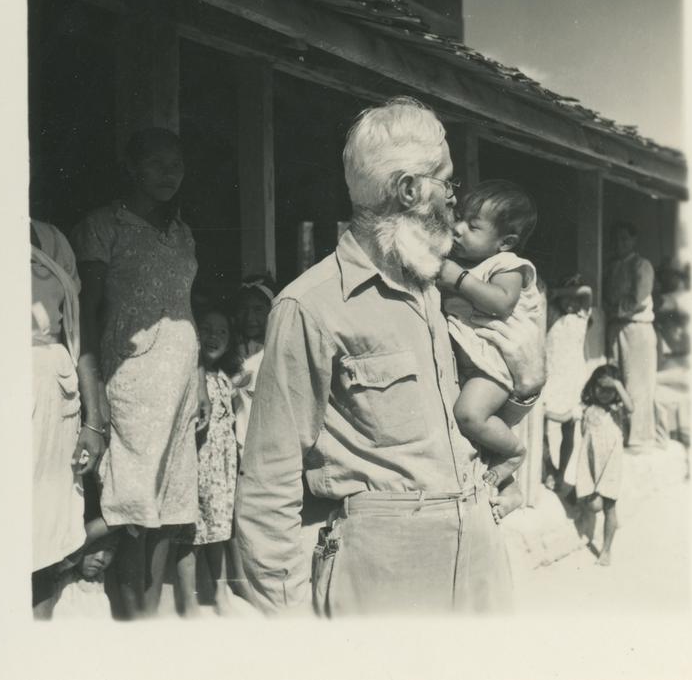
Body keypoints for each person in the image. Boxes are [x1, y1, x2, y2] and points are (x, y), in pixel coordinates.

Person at [234, 97, 545, 616]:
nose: (453, 200)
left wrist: (525, 392)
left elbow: (469, 428)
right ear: (409, 190)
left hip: (478, 561)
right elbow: (268, 485)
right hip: (383, 575)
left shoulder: (437, 292)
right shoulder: (310, 306)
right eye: (448, 183)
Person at [72, 128, 211, 618]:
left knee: (166, 514)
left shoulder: (182, 232)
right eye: (157, 162)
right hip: (130, 383)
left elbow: (184, 308)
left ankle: (148, 624)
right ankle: (56, 564)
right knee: (129, 508)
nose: (170, 173)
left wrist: (198, 377)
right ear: (132, 167)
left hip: (179, 386)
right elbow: (86, 315)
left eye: (177, 163)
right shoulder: (102, 226)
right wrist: (97, 399)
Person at [440, 180, 541, 491]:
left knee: (469, 416)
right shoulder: (466, 262)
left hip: (493, 368)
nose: (458, 229)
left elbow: (501, 302)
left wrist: (457, 279)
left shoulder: (507, 265)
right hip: (470, 364)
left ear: (505, 242)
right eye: (459, 220)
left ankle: (513, 452)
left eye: (472, 226)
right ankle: (505, 486)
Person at [31, 219, 106, 619]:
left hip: (52, 402)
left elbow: (81, 332)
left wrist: (93, 421)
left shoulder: (51, 238)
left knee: (47, 525)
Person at [176, 305, 241, 616]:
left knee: (218, 531)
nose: (214, 337)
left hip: (220, 472)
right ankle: (188, 602)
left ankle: (220, 594)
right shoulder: (190, 377)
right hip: (195, 465)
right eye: (207, 329)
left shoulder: (225, 378)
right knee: (190, 534)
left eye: (222, 332)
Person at [604, 221, 660, 450]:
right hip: (617, 327)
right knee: (619, 378)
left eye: (625, 239)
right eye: (617, 239)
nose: (620, 244)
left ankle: (640, 438)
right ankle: (623, 434)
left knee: (638, 383)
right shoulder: (613, 266)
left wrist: (614, 308)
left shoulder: (641, 265)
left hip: (637, 328)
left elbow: (639, 299)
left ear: (634, 241)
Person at [575, 364, 633, 566]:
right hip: (591, 465)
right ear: (593, 387)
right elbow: (565, 417)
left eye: (610, 390)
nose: (605, 394)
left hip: (611, 465)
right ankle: (585, 506)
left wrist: (617, 384)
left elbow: (631, 407)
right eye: (601, 388)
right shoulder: (587, 409)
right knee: (593, 505)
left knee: (608, 506)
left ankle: (606, 550)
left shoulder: (618, 410)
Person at [542, 274, 593, 496]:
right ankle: (548, 469)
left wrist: (561, 293)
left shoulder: (581, 316)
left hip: (573, 378)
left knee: (569, 427)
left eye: (573, 296)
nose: (571, 302)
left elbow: (587, 293)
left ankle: (562, 472)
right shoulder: (552, 315)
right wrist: (558, 296)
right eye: (567, 296)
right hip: (553, 377)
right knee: (544, 425)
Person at [231, 275, 274, 459]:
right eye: (243, 309)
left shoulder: (276, 353)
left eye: (258, 309)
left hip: (271, 446)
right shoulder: (229, 355)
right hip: (237, 447)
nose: (250, 317)